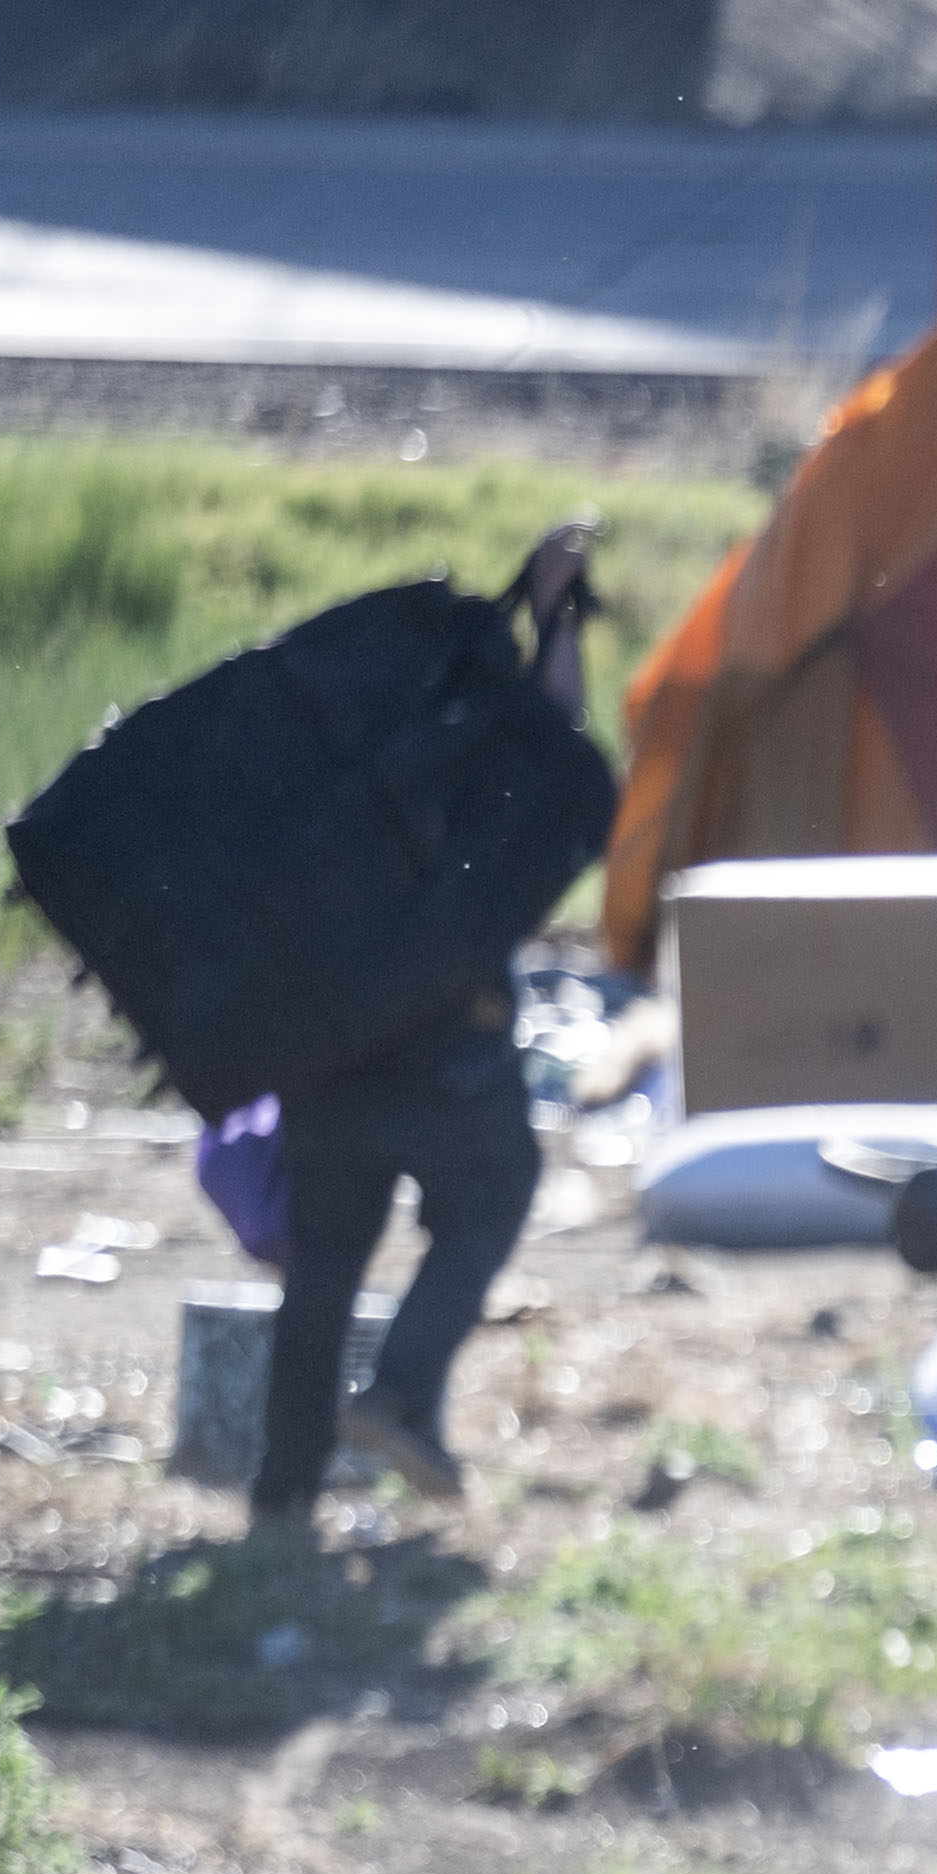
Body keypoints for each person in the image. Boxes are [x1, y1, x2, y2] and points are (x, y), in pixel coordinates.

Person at [247, 524, 602, 1548]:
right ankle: (400, 1392)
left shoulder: (325, 770)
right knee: (495, 1195)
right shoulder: (470, 759)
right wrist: (556, 610)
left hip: (329, 1060)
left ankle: (280, 1503)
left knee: (322, 1271)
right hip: (452, 1056)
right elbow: (558, 739)